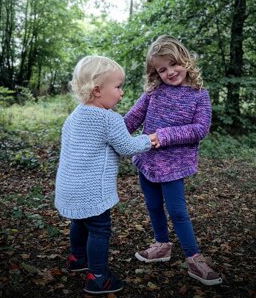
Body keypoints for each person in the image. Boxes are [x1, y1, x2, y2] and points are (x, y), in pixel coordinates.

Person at [124, 35, 222, 286]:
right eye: (162, 69)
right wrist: (113, 132)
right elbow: (134, 117)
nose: (170, 72)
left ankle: (194, 258)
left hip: (174, 164)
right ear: (155, 73)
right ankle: (162, 246)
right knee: (154, 206)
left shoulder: (199, 95)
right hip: (147, 160)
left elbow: (200, 129)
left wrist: (164, 136)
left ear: (185, 60)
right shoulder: (154, 91)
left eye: (173, 64)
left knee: (178, 211)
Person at [55, 55, 155, 294]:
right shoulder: (109, 118)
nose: (121, 93)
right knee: (99, 229)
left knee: (80, 221)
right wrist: (149, 140)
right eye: (118, 87)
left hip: (68, 186)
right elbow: (127, 147)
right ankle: (98, 276)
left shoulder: (73, 116)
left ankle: (78, 259)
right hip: (91, 190)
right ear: (98, 90)